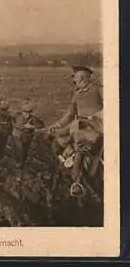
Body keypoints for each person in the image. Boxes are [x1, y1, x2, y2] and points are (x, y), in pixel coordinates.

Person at [48, 65, 103, 196]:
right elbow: (69, 115)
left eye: (75, 77)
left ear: (84, 78)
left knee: (80, 146)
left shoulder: (98, 90)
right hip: (78, 125)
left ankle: (77, 182)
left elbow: (113, 104)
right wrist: (56, 125)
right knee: (54, 138)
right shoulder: (77, 94)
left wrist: (96, 115)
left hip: (95, 127)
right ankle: (67, 162)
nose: (73, 80)